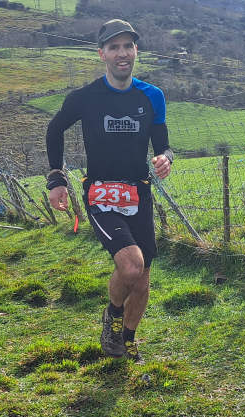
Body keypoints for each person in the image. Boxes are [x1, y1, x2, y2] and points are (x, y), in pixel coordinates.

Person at [46, 19, 173, 361]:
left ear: (136, 51)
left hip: (138, 194)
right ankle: (112, 317)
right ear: (101, 54)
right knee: (131, 267)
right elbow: (54, 130)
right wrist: (56, 178)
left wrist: (166, 158)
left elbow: (163, 144)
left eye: (128, 46)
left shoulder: (152, 96)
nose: (122, 53)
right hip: (101, 195)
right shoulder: (85, 98)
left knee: (142, 280)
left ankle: (126, 341)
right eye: (114, 47)